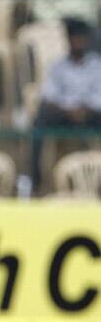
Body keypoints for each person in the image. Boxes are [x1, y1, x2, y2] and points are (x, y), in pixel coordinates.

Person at [32, 17, 101, 192]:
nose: (78, 42)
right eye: (74, 38)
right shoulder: (58, 66)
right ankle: (34, 182)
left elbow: (98, 97)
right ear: (68, 40)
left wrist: (84, 110)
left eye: (80, 38)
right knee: (40, 118)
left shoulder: (96, 65)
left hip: (91, 114)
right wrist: (70, 111)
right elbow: (49, 96)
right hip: (64, 115)